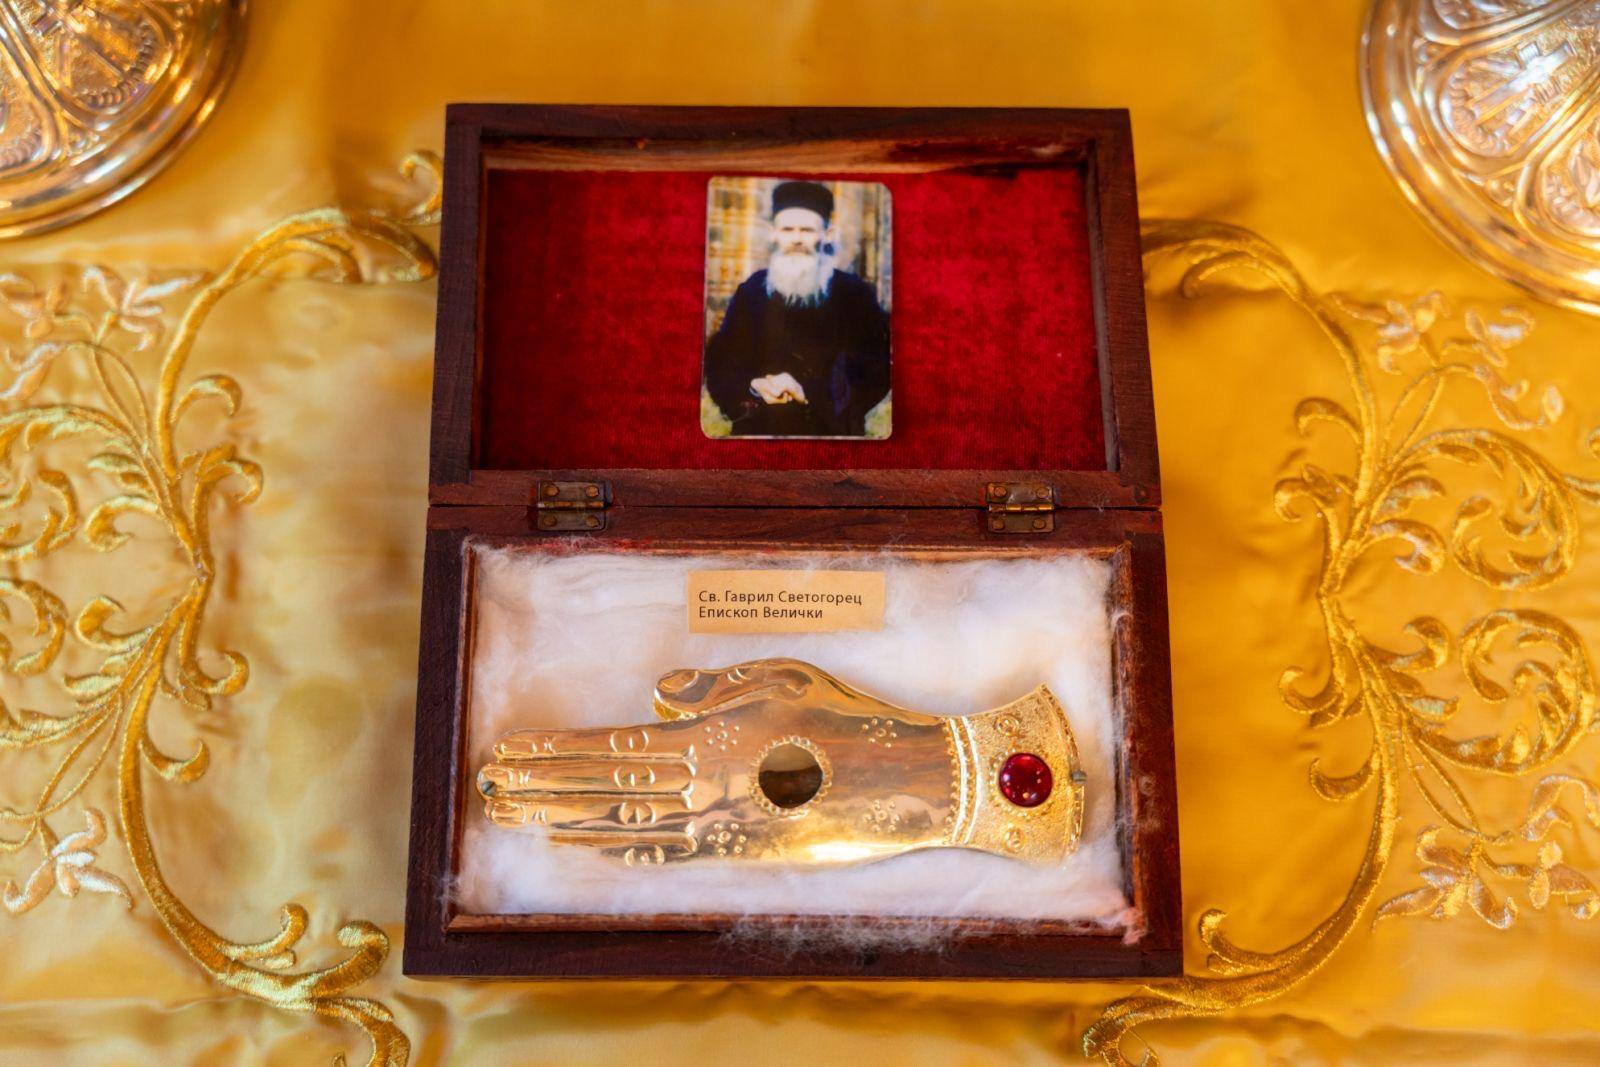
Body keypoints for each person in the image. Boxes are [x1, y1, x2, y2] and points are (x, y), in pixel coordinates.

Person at [704, 181, 890, 437]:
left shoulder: (854, 293)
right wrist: (754, 387)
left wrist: (808, 393)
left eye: (807, 230)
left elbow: (876, 369)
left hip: (830, 433)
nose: (796, 239)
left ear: (827, 233)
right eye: (787, 229)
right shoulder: (751, 290)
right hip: (759, 430)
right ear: (774, 233)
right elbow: (723, 362)